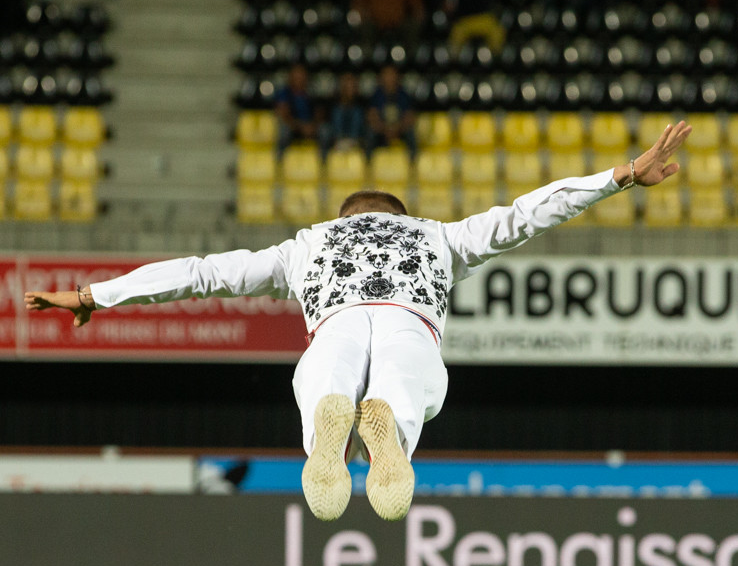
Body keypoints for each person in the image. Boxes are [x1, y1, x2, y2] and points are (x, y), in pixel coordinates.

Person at [23, 120, 692, 524]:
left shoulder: (305, 245)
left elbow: (201, 272)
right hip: (411, 324)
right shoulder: (438, 237)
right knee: (414, 396)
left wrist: (95, 296)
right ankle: (387, 430)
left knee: (321, 388)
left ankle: (328, 423)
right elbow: (530, 212)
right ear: (399, 214)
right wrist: (624, 174)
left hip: (335, 328)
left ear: (345, 218)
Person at [364, 64, 417, 160]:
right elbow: (372, 116)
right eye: (386, 75)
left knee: (411, 132)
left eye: (392, 75)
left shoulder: (403, 94)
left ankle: (413, 163)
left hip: (400, 129)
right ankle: (368, 163)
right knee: (370, 133)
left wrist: (397, 128)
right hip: (382, 130)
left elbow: (410, 117)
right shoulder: (376, 95)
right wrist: (385, 129)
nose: (389, 78)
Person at [274, 63, 323, 157]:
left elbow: (319, 113)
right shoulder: (283, 94)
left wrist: (313, 126)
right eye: (296, 74)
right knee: (283, 131)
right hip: (293, 127)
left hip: (310, 127)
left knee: (324, 131)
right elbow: (284, 116)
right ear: (290, 76)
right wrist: (301, 127)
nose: (299, 77)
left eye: (301, 74)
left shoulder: (312, 93)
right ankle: (280, 160)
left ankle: (323, 162)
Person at [325, 72, 367, 154]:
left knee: (357, 113)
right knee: (337, 112)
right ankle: (341, 142)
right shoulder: (333, 102)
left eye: (352, 84)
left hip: (355, 138)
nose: (349, 86)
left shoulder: (362, 102)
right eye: (347, 83)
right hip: (337, 138)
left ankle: (351, 143)